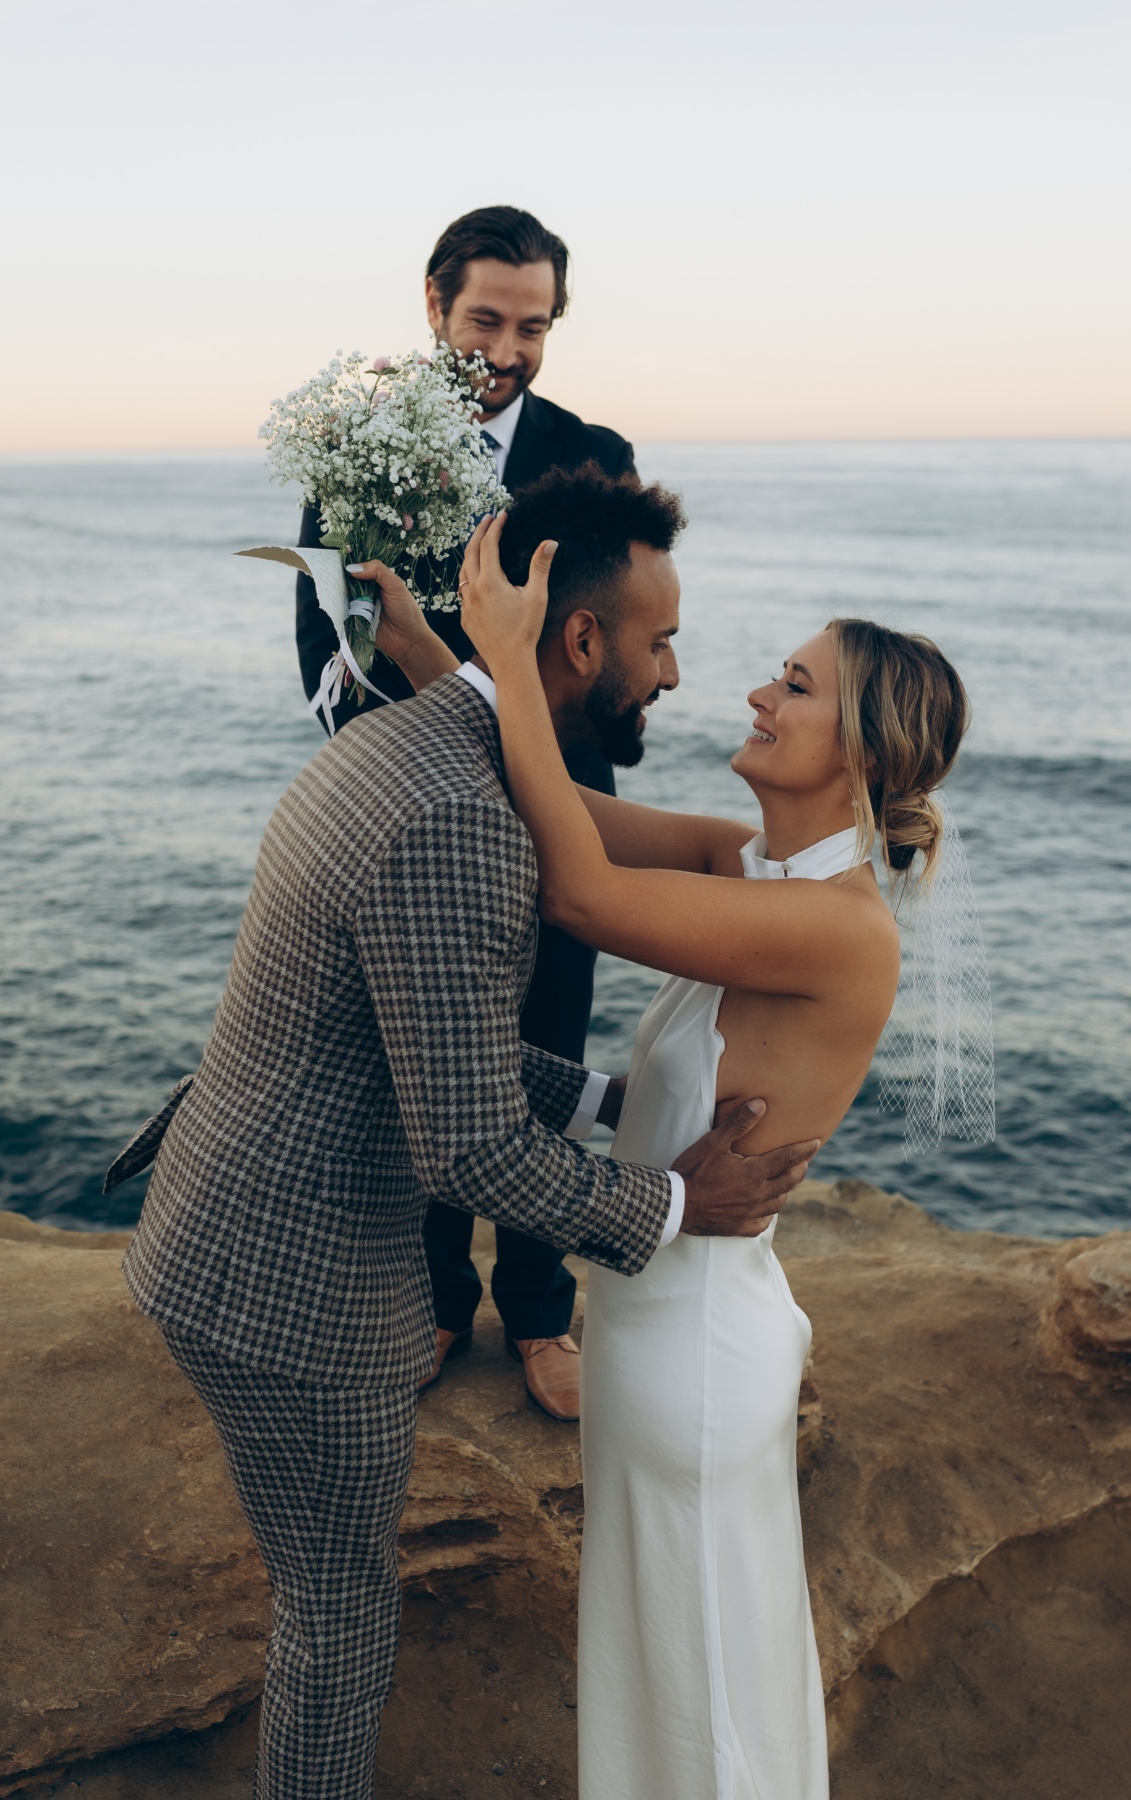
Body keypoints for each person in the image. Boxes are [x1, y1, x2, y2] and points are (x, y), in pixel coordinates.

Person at [107, 465, 819, 1800]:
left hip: (235, 1218)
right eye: (660, 641)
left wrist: (623, 1106)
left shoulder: (430, 734)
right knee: (338, 1619)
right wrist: (677, 1207)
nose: (675, 673)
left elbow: (430, 1050)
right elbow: (471, 1153)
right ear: (584, 641)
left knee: (329, 1597)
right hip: (288, 1290)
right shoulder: (456, 819)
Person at [382, 481, 971, 1800]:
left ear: (863, 752)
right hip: (657, 1329)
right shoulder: (750, 868)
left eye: (798, 686)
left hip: (695, 1355)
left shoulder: (839, 928)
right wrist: (465, 661)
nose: (759, 695)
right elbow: (569, 824)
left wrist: (505, 660)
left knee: (704, 1701)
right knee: (678, 1682)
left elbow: (580, 897)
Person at [295, 205, 641, 1419]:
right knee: (426, 1069)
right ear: (435, 306)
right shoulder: (358, 448)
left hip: (558, 819)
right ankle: (439, 1299)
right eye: (487, 318)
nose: (508, 346)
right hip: (420, 828)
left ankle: (543, 1313)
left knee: (545, 1048)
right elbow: (323, 653)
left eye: (533, 324)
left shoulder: (593, 451)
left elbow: (604, 660)